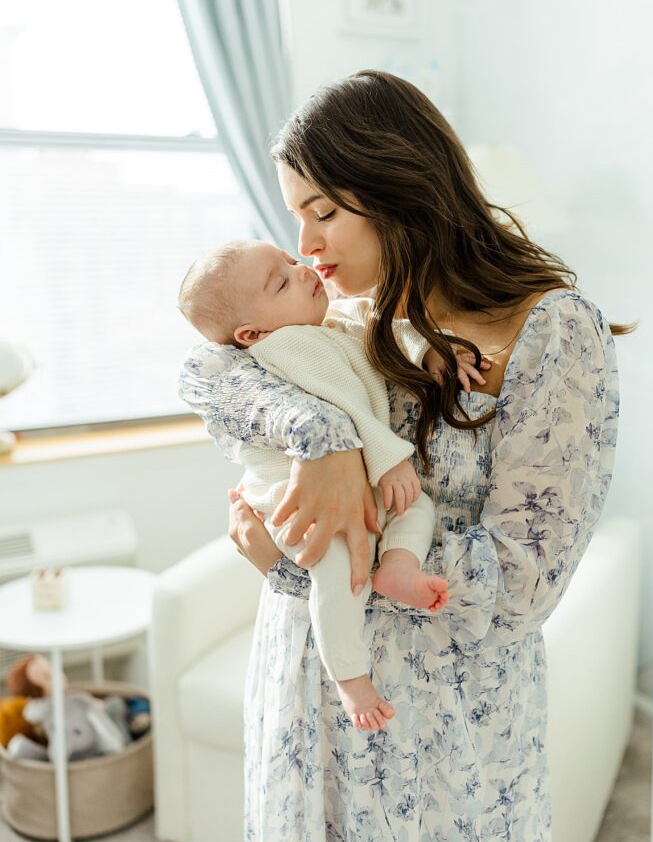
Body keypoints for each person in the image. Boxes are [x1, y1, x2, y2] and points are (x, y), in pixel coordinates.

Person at [179, 70, 626, 842]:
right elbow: (204, 370)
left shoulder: (553, 330)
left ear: (398, 186)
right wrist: (322, 442)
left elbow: (523, 585)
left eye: (323, 212)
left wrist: (301, 560)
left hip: (444, 728)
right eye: (294, 217)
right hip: (305, 689)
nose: (305, 244)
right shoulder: (343, 315)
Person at [178, 237, 487, 729]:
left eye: (290, 261)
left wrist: (430, 351)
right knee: (339, 561)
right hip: (292, 497)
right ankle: (349, 675)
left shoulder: (332, 320)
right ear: (252, 332)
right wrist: (388, 460)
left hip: (355, 482)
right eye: (281, 282)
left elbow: (385, 329)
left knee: (415, 510)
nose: (302, 270)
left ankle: (398, 567)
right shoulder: (287, 346)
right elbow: (338, 409)